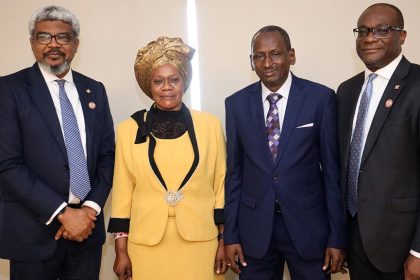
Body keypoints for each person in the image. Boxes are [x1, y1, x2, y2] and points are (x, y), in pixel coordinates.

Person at [0, 5, 115, 280]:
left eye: (62, 37)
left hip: (87, 232)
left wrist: (89, 210)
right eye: (43, 37)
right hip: (33, 235)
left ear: (75, 43)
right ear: (32, 43)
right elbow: (7, 164)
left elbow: (107, 156)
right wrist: (63, 213)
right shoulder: (8, 90)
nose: (53, 44)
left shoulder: (95, 89)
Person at [223, 25, 346, 280]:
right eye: (259, 56)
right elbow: (235, 174)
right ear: (252, 61)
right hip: (254, 232)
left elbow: (332, 174)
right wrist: (231, 235)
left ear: (291, 55)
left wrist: (337, 237)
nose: (267, 62)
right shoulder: (235, 104)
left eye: (275, 54)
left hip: (309, 229)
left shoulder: (320, 98)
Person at [107, 36, 227, 280]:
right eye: (158, 81)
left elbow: (221, 187)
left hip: (201, 242)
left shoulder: (210, 125)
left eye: (174, 79)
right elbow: (122, 193)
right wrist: (121, 251)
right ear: (148, 86)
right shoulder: (129, 129)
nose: (166, 87)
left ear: (184, 82)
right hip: (146, 246)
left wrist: (224, 241)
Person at [337, 3, 420, 280]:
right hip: (356, 242)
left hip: (402, 246)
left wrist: (419, 252)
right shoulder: (347, 91)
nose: (369, 37)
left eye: (382, 30)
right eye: (362, 31)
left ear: (403, 36)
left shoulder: (418, 85)